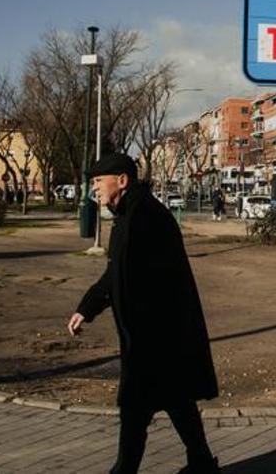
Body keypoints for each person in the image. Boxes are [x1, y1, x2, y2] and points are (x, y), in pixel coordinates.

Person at [67, 153, 219, 473]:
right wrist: (87, 308)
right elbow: (116, 272)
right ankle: (202, 463)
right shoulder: (129, 214)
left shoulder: (144, 217)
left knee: (136, 409)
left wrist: (143, 332)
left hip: (153, 335)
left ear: (121, 181)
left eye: (97, 181)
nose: (93, 188)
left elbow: (151, 281)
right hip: (155, 334)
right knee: (177, 401)